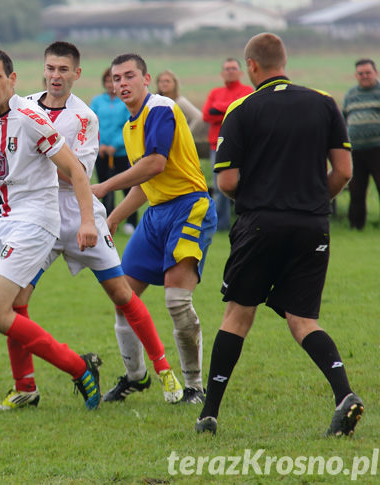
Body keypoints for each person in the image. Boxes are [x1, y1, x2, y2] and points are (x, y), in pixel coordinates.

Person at [0, 42, 182, 411]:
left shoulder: (84, 118)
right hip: (36, 216)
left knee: (123, 294)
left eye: (64, 69)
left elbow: (75, 173)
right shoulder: (24, 107)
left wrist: (84, 215)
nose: (56, 76)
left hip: (79, 213)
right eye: (50, 68)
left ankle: (163, 370)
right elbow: (15, 170)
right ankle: (24, 386)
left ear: (76, 74)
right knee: (15, 302)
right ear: (42, 70)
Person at [195, 32, 362, 437]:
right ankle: (344, 395)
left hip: (260, 224)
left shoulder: (241, 108)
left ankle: (209, 414)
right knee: (303, 319)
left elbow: (228, 181)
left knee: (238, 315)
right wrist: (310, 201)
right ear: (284, 61)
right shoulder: (324, 103)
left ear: (251, 66)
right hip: (312, 225)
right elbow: (344, 171)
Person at [0, 48, 102, 412]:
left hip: (35, 223)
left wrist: (88, 221)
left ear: (13, 79)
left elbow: (75, 171)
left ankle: (78, 367)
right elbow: (14, 181)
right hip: (3, 219)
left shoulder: (29, 116)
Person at [92, 53, 218, 405]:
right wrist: (115, 216)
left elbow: (155, 164)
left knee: (177, 302)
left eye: (129, 76)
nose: (122, 83)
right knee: (123, 298)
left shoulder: (160, 107)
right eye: (116, 78)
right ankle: (136, 377)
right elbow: (146, 182)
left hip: (189, 207)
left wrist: (103, 188)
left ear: (146, 79)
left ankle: (194, 386)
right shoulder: (130, 125)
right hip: (155, 214)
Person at [202, 58, 253, 231]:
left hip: (242, 146)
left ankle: (245, 220)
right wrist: (231, 108)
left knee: (245, 183)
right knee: (219, 187)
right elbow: (207, 115)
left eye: (233, 68)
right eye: (226, 68)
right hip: (217, 146)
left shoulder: (247, 90)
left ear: (240, 72)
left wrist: (220, 108)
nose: (230, 71)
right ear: (222, 73)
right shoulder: (215, 92)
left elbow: (244, 113)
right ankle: (221, 224)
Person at [90, 67, 137, 235]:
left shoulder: (124, 102)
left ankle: (131, 221)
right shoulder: (97, 101)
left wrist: (115, 145)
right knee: (103, 186)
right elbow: (91, 123)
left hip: (121, 152)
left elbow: (127, 124)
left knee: (128, 187)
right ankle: (106, 219)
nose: (110, 85)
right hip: (102, 152)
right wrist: (100, 144)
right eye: (108, 81)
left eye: (113, 81)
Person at [343, 58, 380, 230]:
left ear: (376, 73)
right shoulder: (350, 95)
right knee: (356, 191)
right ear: (355, 75)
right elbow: (344, 120)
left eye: (368, 72)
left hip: (377, 150)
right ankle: (356, 226)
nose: (364, 76)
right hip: (355, 151)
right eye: (361, 73)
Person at [155, 70, 203, 135]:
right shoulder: (155, 101)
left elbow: (198, 117)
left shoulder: (179, 101)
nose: (164, 84)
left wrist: (186, 135)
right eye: (161, 81)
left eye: (167, 81)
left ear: (174, 84)